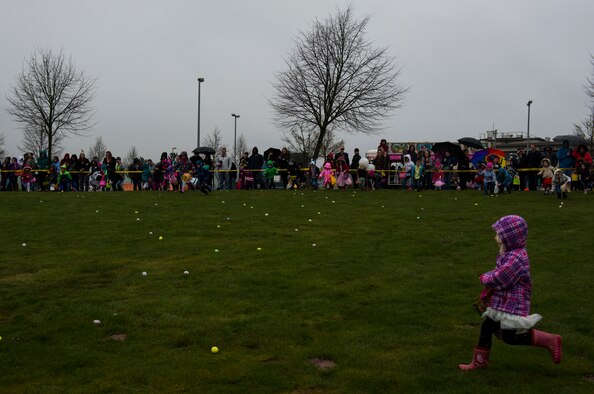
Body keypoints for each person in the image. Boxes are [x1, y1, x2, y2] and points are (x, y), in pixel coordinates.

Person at [459, 215, 562, 370]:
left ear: (509, 237)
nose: (495, 238)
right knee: (487, 326)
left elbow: (501, 278)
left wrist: (485, 278)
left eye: (499, 235)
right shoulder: (510, 253)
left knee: (510, 337)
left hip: (511, 303)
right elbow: (500, 272)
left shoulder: (516, 258)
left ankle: (549, 340)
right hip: (503, 300)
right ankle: (480, 362)